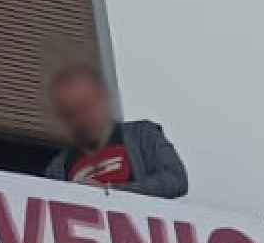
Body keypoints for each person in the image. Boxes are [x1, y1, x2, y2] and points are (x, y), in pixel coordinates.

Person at [41, 61, 188, 199]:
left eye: (86, 105)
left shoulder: (141, 135)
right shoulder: (58, 167)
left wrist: (111, 191)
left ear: (104, 100)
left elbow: (176, 180)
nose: (81, 117)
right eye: (71, 112)